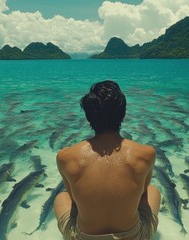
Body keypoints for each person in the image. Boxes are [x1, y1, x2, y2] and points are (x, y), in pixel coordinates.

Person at [54, 80, 161, 240]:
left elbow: (75, 202)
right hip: (132, 236)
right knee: (153, 191)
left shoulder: (66, 156)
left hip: (84, 237)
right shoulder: (146, 153)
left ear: (88, 116)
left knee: (61, 197)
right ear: (123, 113)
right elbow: (141, 196)